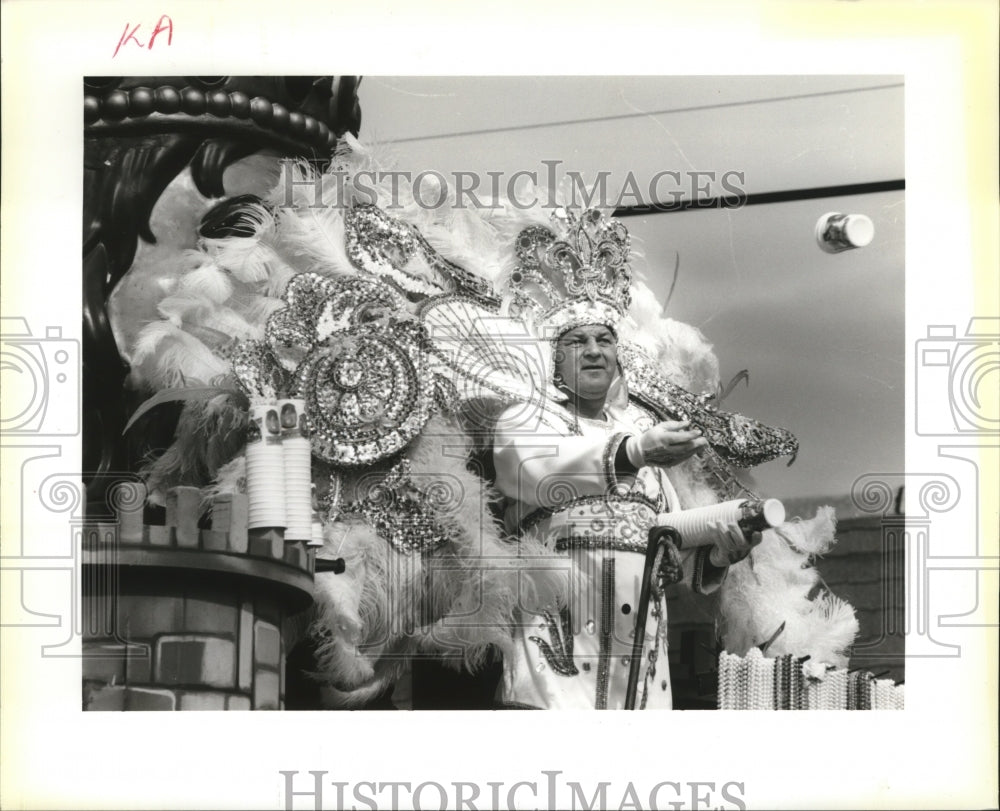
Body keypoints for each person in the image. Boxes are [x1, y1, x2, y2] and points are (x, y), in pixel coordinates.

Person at [492, 321, 761, 709]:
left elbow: (670, 549)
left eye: (604, 340)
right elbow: (534, 470)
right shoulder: (527, 420)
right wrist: (634, 452)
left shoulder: (645, 445)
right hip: (554, 662)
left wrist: (721, 553)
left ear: (617, 357)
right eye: (576, 341)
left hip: (639, 663)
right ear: (554, 359)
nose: (593, 350)